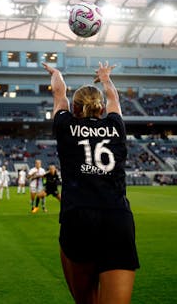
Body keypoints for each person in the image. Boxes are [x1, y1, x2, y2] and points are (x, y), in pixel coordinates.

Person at [43, 60, 139, 304]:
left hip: (79, 217)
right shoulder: (116, 126)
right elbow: (114, 101)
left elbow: (59, 95)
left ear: (75, 109)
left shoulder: (66, 127)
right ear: (100, 109)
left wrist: (57, 74)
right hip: (117, 218)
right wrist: (105, 78)